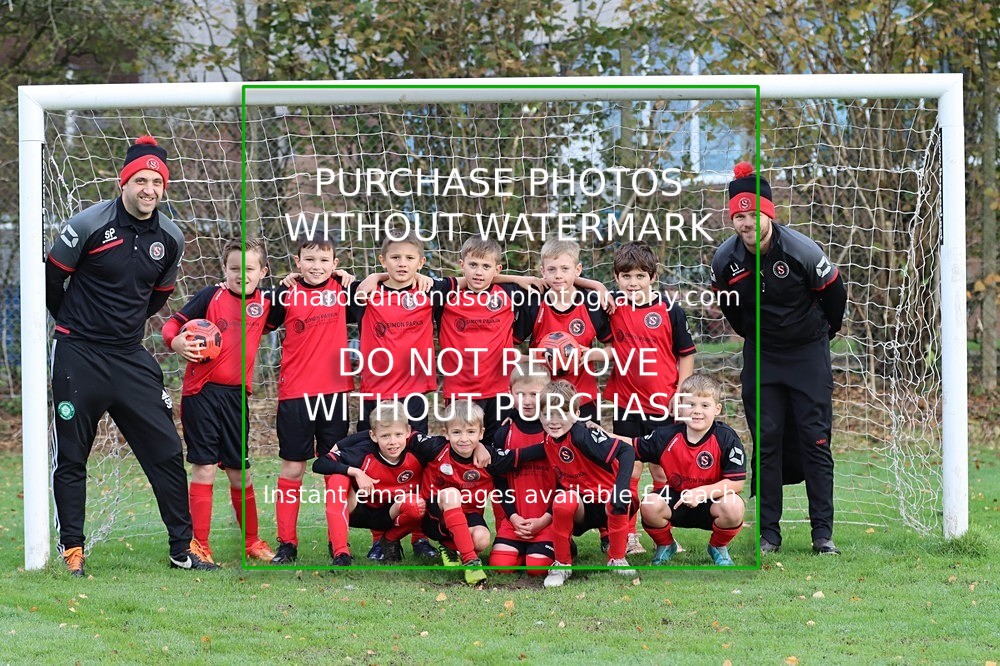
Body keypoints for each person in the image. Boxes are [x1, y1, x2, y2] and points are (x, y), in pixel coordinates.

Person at [45, 135, 216, 573]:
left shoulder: (171, 237)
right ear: (124, 182)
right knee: (72, 456)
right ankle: (72, 549)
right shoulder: (88, 224)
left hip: (128, 355)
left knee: (166, 451)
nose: (149, 189)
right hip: (78, 354)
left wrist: (122, 327)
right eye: (140, 180)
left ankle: (183, 549)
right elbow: (53, 280)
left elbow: (158, 296)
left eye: (156, 182)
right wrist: (74, 324)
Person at [711, 161, 847, 555]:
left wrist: (821, 334)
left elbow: (835, 296)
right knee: (767, 442)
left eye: (752, 214)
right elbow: (731, 309)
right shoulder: (725, 260)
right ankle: (769, 534)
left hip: (807, 353)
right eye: (738, 216)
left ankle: (822, 534)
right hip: (763, 355)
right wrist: (757, 337)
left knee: (815, 440)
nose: (746, 222)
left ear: (768, 213)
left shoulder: (803, 250)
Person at [161, 237, 279, 564]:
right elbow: (172, 324)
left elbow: (304, 299)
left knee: (241, 472)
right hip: (202, 393)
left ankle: (252, 542)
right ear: (225, 269)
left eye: (250, 269)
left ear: (263, 272)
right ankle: (199, 544)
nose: (242, 275)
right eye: (234, 268)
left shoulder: (267, 303)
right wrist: (176, 342)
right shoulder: (210, 296)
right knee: (205, 468)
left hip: (237, 398)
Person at [587, 241, 696, 555]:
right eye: (626, 276)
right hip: (627, 403)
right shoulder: (611, 307)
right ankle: (630, 535)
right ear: (616, 277)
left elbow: (686, 354)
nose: (632, 283)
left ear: (653, 277)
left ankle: (664, 537)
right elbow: (573, 286)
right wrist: (599, 288)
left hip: (664, 402)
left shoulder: (670, 310)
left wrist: (681, 394)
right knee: (629, 469)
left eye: (639, 276)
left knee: (662, 471)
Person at [267, 238, 356, 564]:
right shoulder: (284, 293)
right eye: (309, 259)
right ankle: (287, 544)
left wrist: (357, 278)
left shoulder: (345, 290)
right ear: (297, 261)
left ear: (335, 264)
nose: (316, 266)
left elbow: (386, 290)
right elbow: (257, 321)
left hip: (334, 392)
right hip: (295, 393)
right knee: (293, 467)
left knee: (335, 469)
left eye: (323, 260)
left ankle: (340, 546)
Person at [634, 374, 747, 566]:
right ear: (681, 408)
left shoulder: (727, 437)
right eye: (690, 404)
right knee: (649, 504)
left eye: (705, 405)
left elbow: (736, 483)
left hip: (712, 501)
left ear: (717, 409)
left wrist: (700, 493)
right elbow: (632, 445)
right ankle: (665, 544)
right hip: (677, 500)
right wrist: (599, 435)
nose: (697, 411)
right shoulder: (666, 435)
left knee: (734, 506)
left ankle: (718, 547)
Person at [539, 380, 637, 588]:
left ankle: (617, 558)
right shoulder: (548, 439)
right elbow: (524, 454)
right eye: (547, 414)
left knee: (619, 499)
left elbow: (627, 451)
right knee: (563, 501)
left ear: (576, 414)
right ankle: (562, 564)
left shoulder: (583, 435)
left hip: (611, 503)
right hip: (583, 507)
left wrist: (620, 490)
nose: (553, 421)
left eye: (561, 414)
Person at [437, 236, 532, 446]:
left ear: (497, 269)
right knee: (464, 448)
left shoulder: (511, 293)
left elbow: (552, 285)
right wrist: (376, 276)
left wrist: (596, 285)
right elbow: (407, 283)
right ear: (462, 265)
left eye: (486, 266)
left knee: (498, 448)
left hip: (499, 390)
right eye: (473, 265)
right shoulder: (446, 295)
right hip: (460, 391)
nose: (479, 272)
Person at [313, 401, 427, 566]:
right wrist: (356, 472)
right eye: (385, 436)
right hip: (362, 510)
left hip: (393, 513)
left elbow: (449, 446)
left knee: (416, 504)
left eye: (398, 434)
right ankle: (341, 553)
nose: (393, 441)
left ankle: (390, 540)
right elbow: (320, 464)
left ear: (408, 431)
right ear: (373, 436)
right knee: (338, 478)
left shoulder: (419, 449)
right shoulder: (363, 451)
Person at [488, 363, 555, 577]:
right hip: (515, 518)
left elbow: (565, 482)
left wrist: (545, 520)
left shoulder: (555, 429)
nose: (527, 401)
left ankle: (563, 544)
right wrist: (513, 517)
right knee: (500, 566)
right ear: (510, 393)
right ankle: (521, 547)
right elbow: (499, 481)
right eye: (520, 394)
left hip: (547, 518)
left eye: (534, 394)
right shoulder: (504, 433)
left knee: (537, 568)